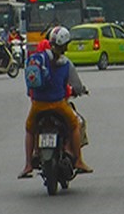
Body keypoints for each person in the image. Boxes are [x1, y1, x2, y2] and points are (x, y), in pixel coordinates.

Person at [19, 26, 92, 178]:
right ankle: (78, 160)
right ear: (65, 44)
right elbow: (77, 86)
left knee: (30, 129)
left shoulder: (38, 58)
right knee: (75, 126)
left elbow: (30, 84)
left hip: (38, 105)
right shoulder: (66, 63)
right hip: (59, 105)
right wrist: (80, 90)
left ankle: (27, 164)